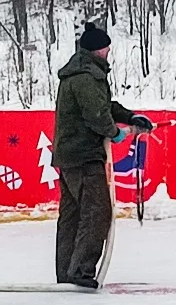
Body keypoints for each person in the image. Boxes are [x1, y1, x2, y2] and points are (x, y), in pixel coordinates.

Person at [51, 22, 154, 289]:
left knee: (73, 215)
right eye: (106, 47)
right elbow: (97, 115)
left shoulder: (79, 73)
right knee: (96, 213)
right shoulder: (88, 76)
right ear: (99, 50)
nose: (109, 51)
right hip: (85, 156)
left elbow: (104, 106)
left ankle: (67, 272)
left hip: (70, 155)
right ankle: (81, 271)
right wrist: (116, 132)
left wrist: (130, 117)